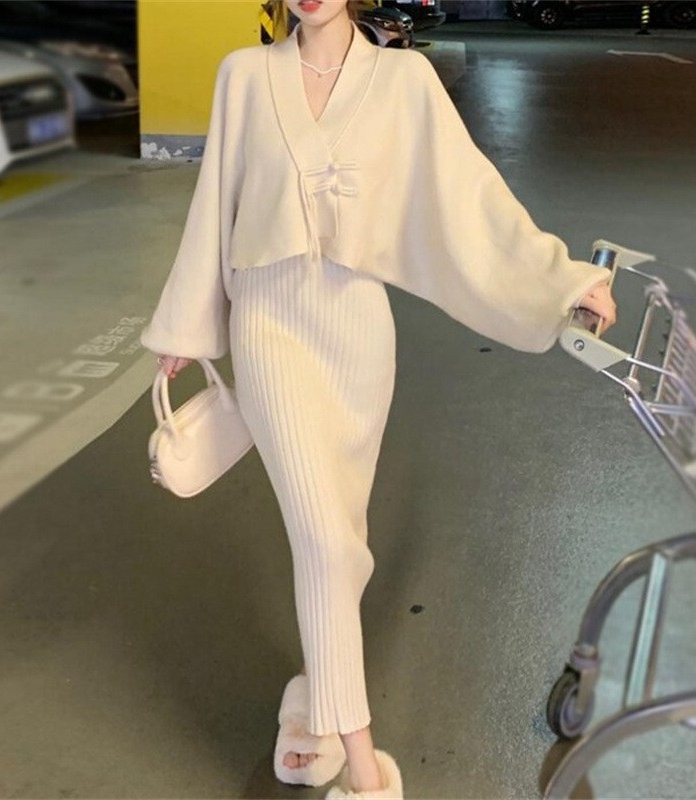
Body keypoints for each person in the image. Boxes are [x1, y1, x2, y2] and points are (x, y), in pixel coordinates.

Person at [142, 2, 617, 797]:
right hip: (268, 325)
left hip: (358, 330)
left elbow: (469, 197)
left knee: (339, 537)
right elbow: (213, 203)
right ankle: (366, 770)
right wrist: (186, 325)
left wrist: (562, 280)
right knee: (326, 542)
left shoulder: (403, 79)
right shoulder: (244, 76)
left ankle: (314, 698)